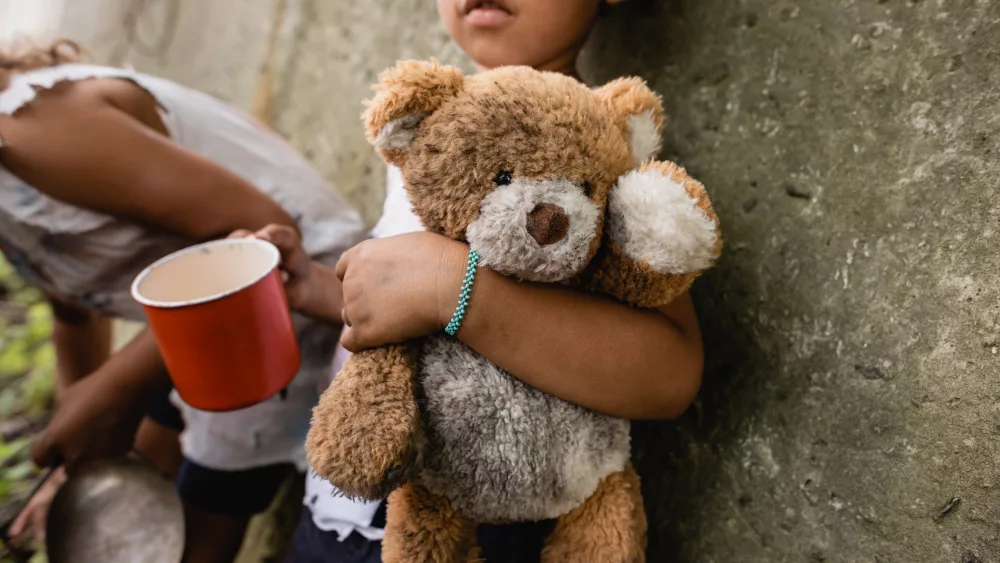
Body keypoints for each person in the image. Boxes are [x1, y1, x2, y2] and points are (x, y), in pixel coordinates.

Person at [280, 0, 706, 561]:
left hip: (484, 525)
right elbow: (403, 303)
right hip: (334, 516)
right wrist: (317, 288)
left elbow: (671, 374)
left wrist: (456, 290)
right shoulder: (433, 134)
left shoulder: (606, 159)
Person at [0, 40, 367, 562]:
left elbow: (258, 239)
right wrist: (77, 451)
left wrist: (112, 390)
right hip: (195, 324)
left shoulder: (30, 131)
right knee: (124, 501)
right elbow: (73, 310)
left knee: (189, 538)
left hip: (291, 298)